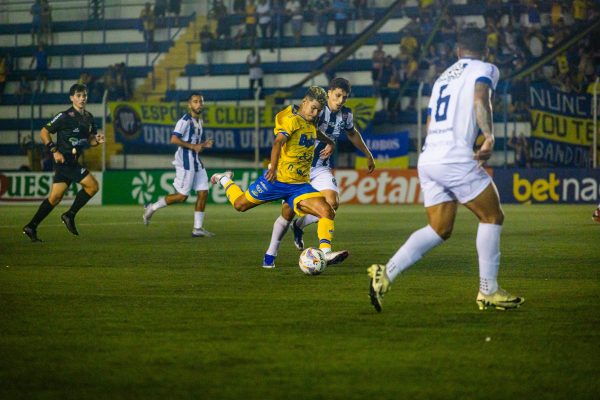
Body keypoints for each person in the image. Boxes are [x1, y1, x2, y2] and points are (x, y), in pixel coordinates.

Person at [367, 28, 525, 312]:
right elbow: (480, 99)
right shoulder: (485, 68)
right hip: (454, 157)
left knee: (439, 228)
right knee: (492, 216)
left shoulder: (442, 77)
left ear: (458, 51)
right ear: (486, 50)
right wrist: (488, 136)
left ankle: (386, 272)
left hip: (429, 157)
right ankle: (488, 290)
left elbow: (430, 122)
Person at [209, 86, 349, 268]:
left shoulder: (310, 121)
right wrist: (273, 168)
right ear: (304, 102)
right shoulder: (290, 119)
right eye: (313, 108)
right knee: (240, 205)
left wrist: (329, 141)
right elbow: (278, 142)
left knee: (327, 210)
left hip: (299, 186)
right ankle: (224, 178)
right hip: (276, 180)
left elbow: (315, 132)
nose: (315, 113)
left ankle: (325, 253)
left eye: (319, 110)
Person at [265, 78, 375, 267]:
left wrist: (368, 154)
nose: (340, 100)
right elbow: (298, 122)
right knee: (287, 212)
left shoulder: (346, 115)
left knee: (332, 204)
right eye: (337, 95)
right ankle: (270, 254)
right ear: (329, 92)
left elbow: (352, 133)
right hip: (297, 168)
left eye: (344, 97)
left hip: (321, 167)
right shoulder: (317, 108)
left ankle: (322, 248)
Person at [22, 83, 104, 242]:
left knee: (55, 198)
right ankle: (69, 215)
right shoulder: (64, 116)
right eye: (79, 96)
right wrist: (54, 150)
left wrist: (97, 140)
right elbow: (44, 132)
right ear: (72, 98)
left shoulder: (88, 117)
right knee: (93, 186)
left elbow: (90, 140)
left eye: (84, 95)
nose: (82, 98)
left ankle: (31, 226)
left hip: (72, 161)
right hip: (65, 161)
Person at [143, 93, 215, 236]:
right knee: (182, 196)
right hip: (186, 161)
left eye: (200, 101)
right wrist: (194, 147)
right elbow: (174, 139)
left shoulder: (199, 122)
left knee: (203, 192)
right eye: (195, 102)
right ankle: (152, 207)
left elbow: (194, 144)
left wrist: (203, 144)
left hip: (196, 161)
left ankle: (197, 229)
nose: (199, 104)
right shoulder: (185, 121)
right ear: (189, 105)